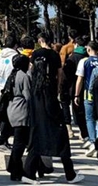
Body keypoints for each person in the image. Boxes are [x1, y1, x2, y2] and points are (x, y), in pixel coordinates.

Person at [24, 56, 83, 184]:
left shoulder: (33, 85)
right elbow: (51, 106)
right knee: (63, 147)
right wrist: (59, 116)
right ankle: (70, 175)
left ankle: (29, 173)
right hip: (51, 121)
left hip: (37, 121)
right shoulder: (47, 85)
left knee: (36, 146)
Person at [5, 54, 32, 182]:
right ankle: (15, 170)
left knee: (18, 142)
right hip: (21, 111)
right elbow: (28, 96)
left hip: (12, 109)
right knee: (19, 144)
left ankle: (13, 167)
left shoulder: (12, 75)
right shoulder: (24, 76)